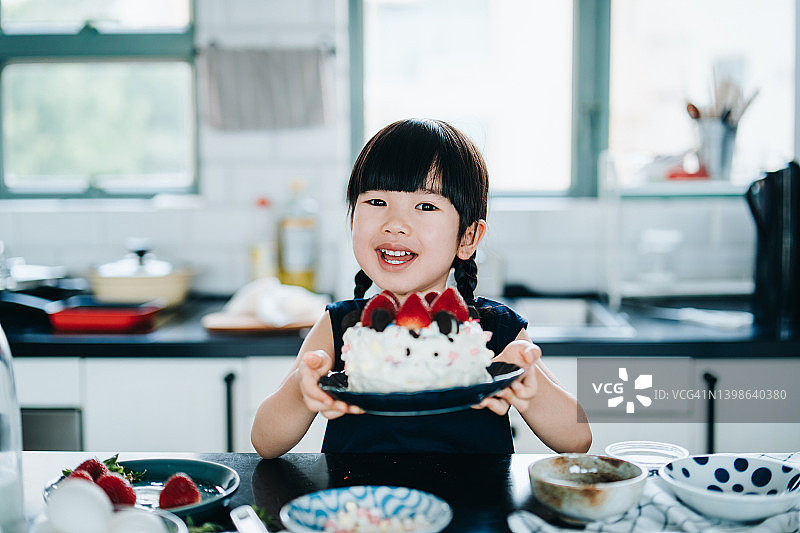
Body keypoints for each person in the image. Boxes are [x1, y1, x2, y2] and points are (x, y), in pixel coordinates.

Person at [251, 118, 592, 457]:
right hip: (361, 507)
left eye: (425, 206)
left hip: (474, 508)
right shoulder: (341, 325)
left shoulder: (494, 330)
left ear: (468, 237)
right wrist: (302, 388)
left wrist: (529, 383)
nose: (395, 224)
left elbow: (577, 440)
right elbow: (265, 443)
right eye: (376, 202)